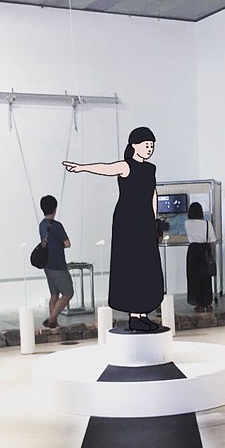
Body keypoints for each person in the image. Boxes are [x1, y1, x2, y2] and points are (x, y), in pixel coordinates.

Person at [63, 127, 164, 332]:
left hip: (145, 221)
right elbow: (105, 168)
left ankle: (142, 313)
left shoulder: (150, 169)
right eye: (146, 145)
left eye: (151, 146)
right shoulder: (126, 166)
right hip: (128, 221)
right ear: (134, 145)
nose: (149, 149)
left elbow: (153, 193)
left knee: (146, 265)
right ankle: (134, 315)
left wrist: (154, 219)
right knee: (132, 264)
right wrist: (82, 168)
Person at [39, 195, 74, 329]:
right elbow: (67, 243)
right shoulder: (57, 226)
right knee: (68, 293)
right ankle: (52, 320)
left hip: (47, 265)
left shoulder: (42, 225)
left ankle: (53, 324)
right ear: (55, 208)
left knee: (54, 294)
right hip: (58, 265)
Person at [184, 202, 217, 312]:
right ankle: (207, 302)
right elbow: (212, 241)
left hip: (193, 251)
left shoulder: (187, 223)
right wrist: (211, 255)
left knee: (194, 277)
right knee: (206, 277)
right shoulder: (207, 224)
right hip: (205, 250)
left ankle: (198, 303)